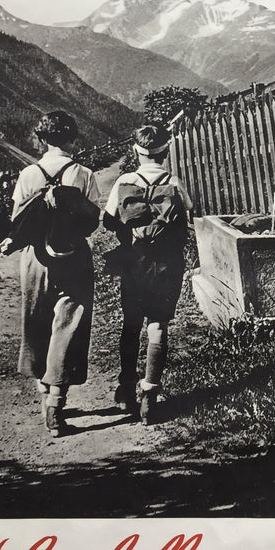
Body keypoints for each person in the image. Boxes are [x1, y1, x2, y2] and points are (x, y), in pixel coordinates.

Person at [0, 111, 100, 437]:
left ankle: (43, 391)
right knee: (68, 326)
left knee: (37, 321)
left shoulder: (29, 174)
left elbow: (18, 220)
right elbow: (93, 221)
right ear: (72, 137)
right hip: (74, 256)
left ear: (42, 139)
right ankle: (57, 402)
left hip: (35, 259)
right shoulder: (83, 173)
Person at [103, 122, 191, 425]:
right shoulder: (175, 182)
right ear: (165, 151)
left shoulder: (125, 180)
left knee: (131, 324)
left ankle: (126, 387)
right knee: (158, 325)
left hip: (134, 261)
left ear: (135, 151)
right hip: (166, 263)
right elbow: (189, 213)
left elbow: (109, 219)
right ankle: (150, 394)